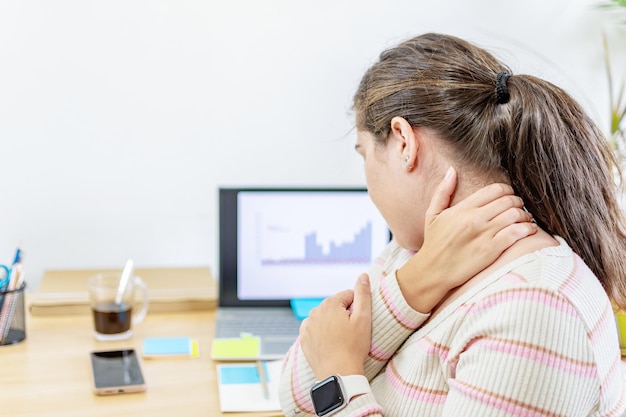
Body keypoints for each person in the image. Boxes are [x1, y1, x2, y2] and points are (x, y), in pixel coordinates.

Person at [278, 33, 626, 417]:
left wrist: (339, 377)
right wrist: (418, 281)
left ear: (403, 142)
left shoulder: (534, 303)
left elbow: (321, 383)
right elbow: (294, 397)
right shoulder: (413, 251)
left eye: (364, 155)